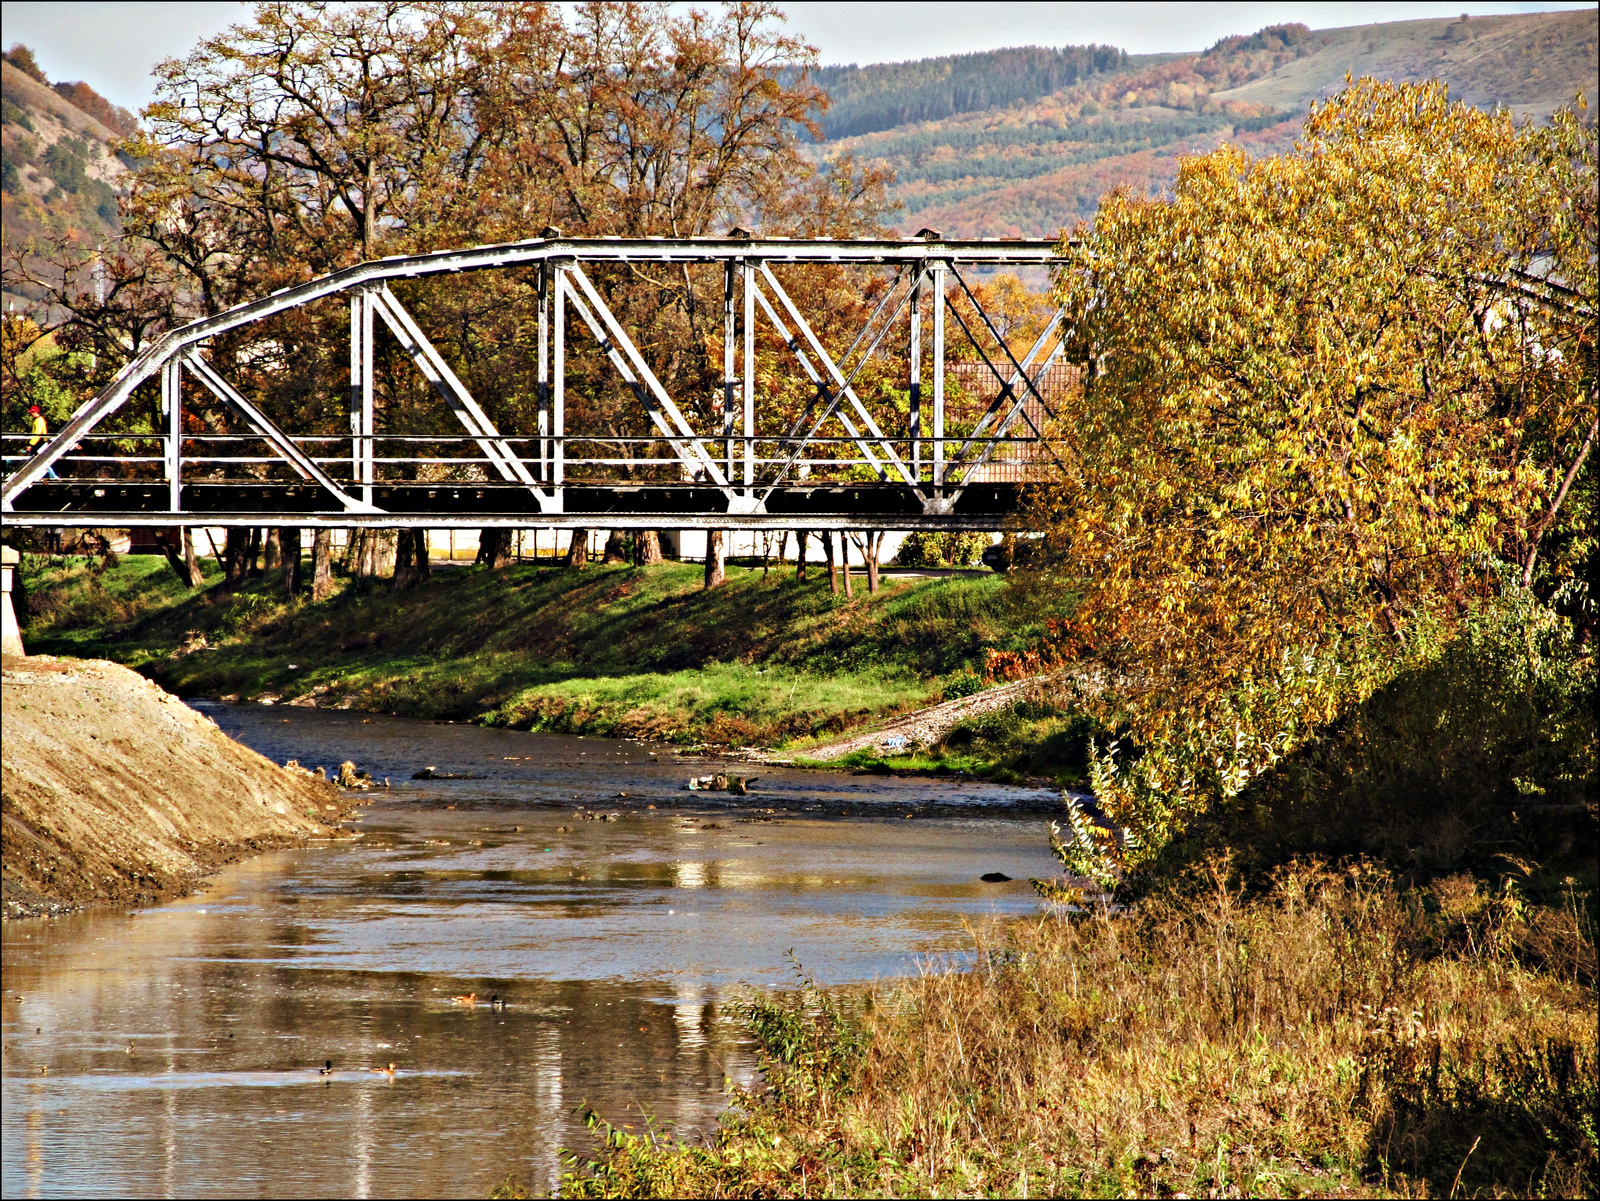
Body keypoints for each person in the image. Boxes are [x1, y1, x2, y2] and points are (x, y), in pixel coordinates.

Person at [25, 404, 59, 478]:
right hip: (38, 442)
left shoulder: (39, 420)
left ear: (36, 412)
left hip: (39, 442)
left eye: (32, 413)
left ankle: (52, 475)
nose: (31, 414)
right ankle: (51, 475)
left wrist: (31, 444)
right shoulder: (37, 420)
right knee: (39, 459)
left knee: (39, 459)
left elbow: (38, 433)